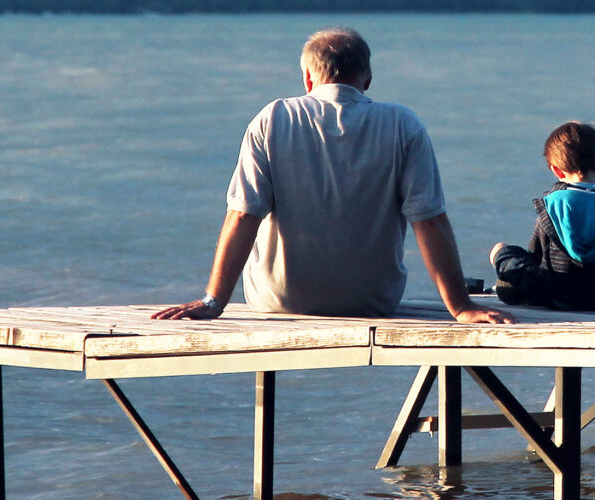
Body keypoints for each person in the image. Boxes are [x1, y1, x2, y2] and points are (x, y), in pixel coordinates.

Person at [153, 27, 513, 324]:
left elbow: (244, 213)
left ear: (307, 77)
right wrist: (461, 307)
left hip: (280, 300)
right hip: (372, 301)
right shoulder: (403, 124)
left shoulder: (273, 118)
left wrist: (213, 300)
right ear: (368, 79)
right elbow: (429, 221)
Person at [489, 121, 595, 310]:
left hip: (557, 295)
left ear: (556, 170)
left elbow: (535, 256)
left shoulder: (553, 203)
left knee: (501, 250)